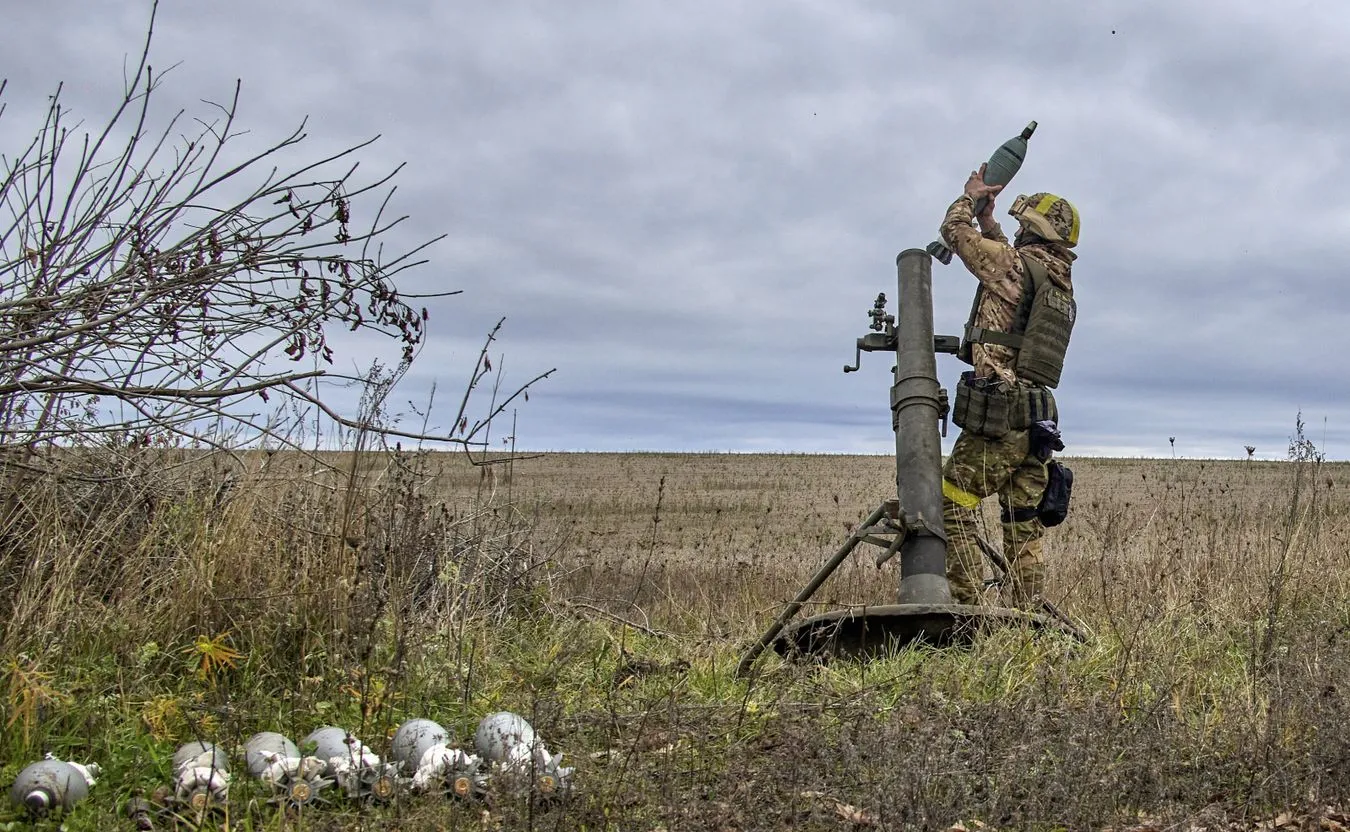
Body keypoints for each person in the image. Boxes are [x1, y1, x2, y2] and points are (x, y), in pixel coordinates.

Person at [936, 164, 1080, 609]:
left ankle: (965, 614)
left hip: (998, 418)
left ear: (1035, 230)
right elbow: (1007, 256)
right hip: (1035, 421)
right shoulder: (1054, 279)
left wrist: (969, 198)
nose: (1015, 233)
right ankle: (1028, 621)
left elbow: (953, 232)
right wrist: (990, 221)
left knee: (950, 508)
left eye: (1022, 226)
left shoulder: (1015, 266)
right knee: (1023, 524)